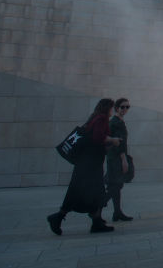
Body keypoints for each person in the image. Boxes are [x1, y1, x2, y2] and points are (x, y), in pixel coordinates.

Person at [47, 99, 121, 235]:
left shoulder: (95, 117)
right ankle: (58, 217)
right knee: (84, 191)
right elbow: (98, 137)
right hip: (90, 164)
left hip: (87, 163)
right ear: (107, 108)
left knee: (93, 192)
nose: (113, 110)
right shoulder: (101, 119)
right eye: (112, 107)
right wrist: (112, 140)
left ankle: (96, 221)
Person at [104, 97, 133, 222]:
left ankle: (117, 212)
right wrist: (124, 159)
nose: (125, 109)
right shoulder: (116, 122)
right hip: (116, 157)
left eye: (127, 107)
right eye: (123, 107)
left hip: (115, 157)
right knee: (114, 186)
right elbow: (119, 143)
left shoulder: (119, 121)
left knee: (116, 185)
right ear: (116, 108)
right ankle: (96, 208)